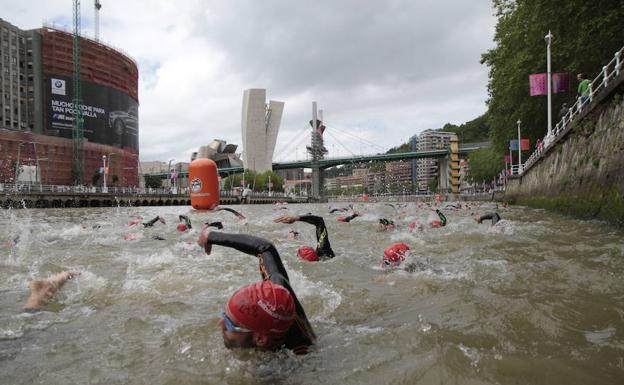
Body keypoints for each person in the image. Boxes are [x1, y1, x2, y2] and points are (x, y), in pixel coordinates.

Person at [197, 226, 316, 354]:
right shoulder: (277, 290)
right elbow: (265, 248)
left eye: (229, 323)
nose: (220, 324)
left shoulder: (293, 361)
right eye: (225, 316)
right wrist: (211, 236)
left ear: (260, 339)